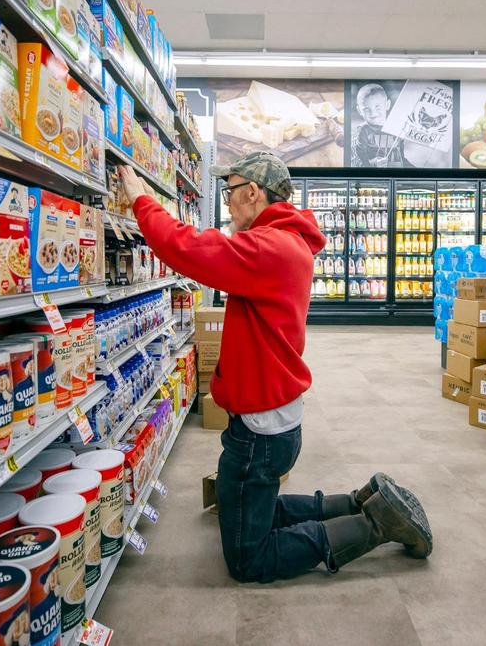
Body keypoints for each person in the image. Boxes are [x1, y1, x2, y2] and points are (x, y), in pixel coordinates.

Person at [118, 153, 432, 583]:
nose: (226, 203)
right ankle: (359, 502)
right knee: (248, 504)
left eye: (229, 191)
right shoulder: (283, 240)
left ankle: (376, 525)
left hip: (261, 425)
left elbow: (188, 249)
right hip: (270, 412)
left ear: (253, 191)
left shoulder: (270, 247)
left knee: (249, 559)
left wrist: (141, 200)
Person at [351, 83, 406, 168]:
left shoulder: (396, 130)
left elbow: (401, 158)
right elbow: (357, 161)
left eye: (378, 107)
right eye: (366, 109)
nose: (373, 113)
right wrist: (372, 163)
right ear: (359, 111)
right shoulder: (363, 131)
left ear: (387, 105)